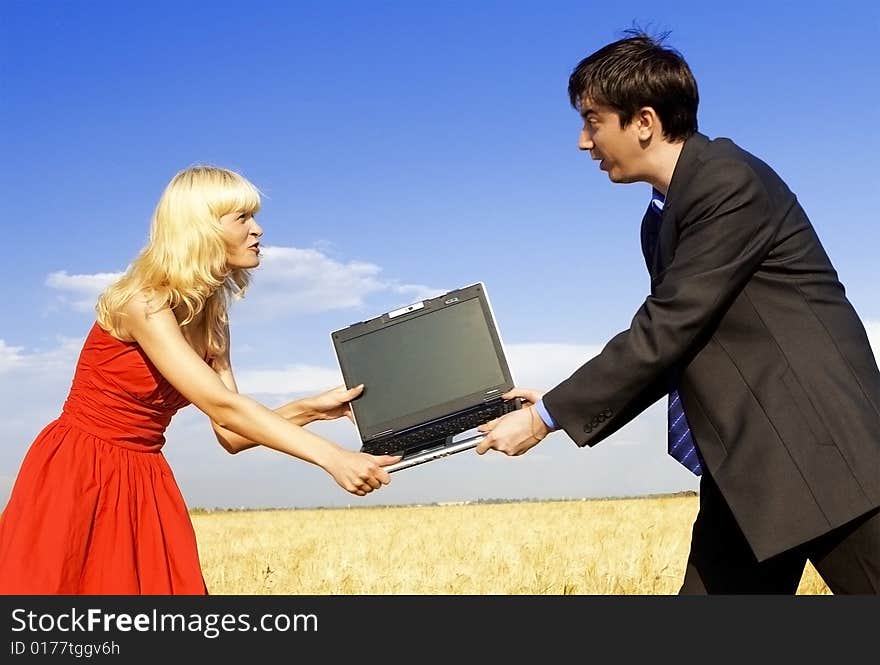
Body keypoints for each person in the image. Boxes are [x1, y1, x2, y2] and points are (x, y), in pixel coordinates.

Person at [475, 31, 880, 594]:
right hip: (749, 467)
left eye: (592, 121)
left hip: (825, 457)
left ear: (643, 121)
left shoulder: (726, 181)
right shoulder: (658, 219)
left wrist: (546, 419)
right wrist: (550, 405)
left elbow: (667, 326)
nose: (583, 142)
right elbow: (675, 343)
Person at [0, 165, 400, 594]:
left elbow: (231, 434)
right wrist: (333, 458)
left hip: (145, 474)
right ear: (202, 229)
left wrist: (310, 409)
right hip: (79, 471)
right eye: (242, 218)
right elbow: (223, 406)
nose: (258, 230)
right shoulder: (144, 303)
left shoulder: (214, 319)